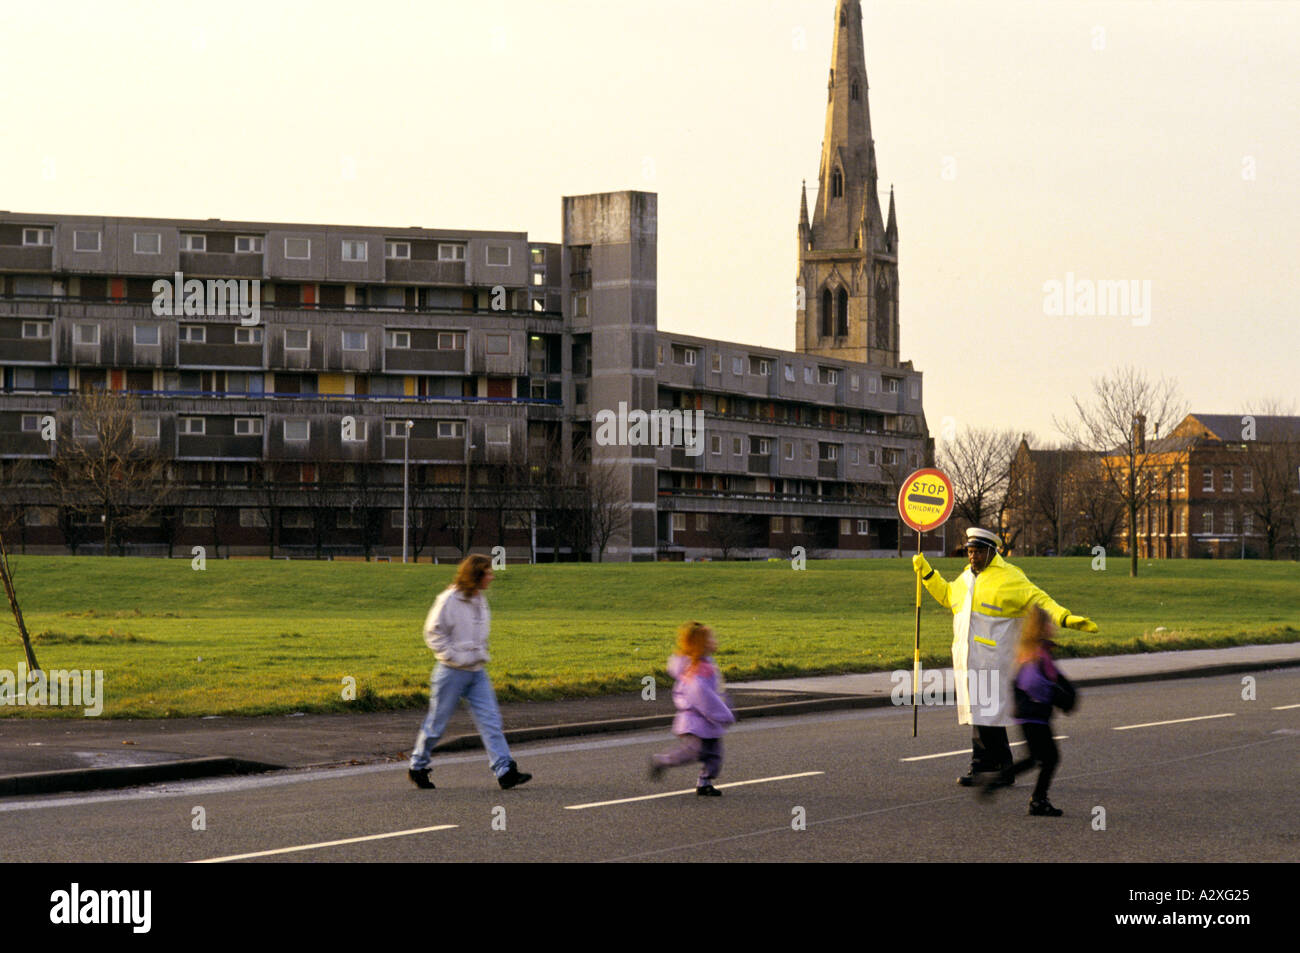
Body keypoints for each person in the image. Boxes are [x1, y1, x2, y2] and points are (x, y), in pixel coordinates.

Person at [912, 527, 1096, 788]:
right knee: (980, 715)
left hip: (993, 660)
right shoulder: (967, 578)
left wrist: (1064, 617)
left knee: (986, 716)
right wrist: (928, 574)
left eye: (977, 552)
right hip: (969, 660)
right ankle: (992, 765)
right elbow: (947, 596)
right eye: (970, 552)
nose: (972, 557)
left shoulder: (1011, 577)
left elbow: (1039, 599)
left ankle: (994, 766)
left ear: (992, 551)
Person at [408, 554, 531, 791]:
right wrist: (453, 656)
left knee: (491, 721)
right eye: (488, 572)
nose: (492, 577)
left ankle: (505, 770)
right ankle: (418, 766)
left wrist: (478, 653)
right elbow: (432, 633)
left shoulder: (479, 599)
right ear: (476, 575)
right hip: (451, 672)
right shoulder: (449, 600)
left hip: (477, 671)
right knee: (436, 725)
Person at [985, 606, 1066, 816]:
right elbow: (1036, 683)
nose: (1053, 627)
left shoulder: (1027, 651)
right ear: (1042, 627)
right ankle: (1038, 800)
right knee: (1050, 758)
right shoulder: (1039, 654)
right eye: (1049, 623)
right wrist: (1055, 694)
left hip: (1028, 715)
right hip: (1036, 716)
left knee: (1035, 758)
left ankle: (1001, 782)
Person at [648, 622, 735, 796]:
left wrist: (723, 707)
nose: (713, 641)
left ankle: (704, 782)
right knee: (692, 752)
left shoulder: (705, 663)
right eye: (710, 638)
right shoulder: (697, 669)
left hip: (707, 719)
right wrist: (723, 713)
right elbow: (702, 695)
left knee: (714, 754)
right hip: (695, 721)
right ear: (700, 643)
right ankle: (662, 761)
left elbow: (716, 691)